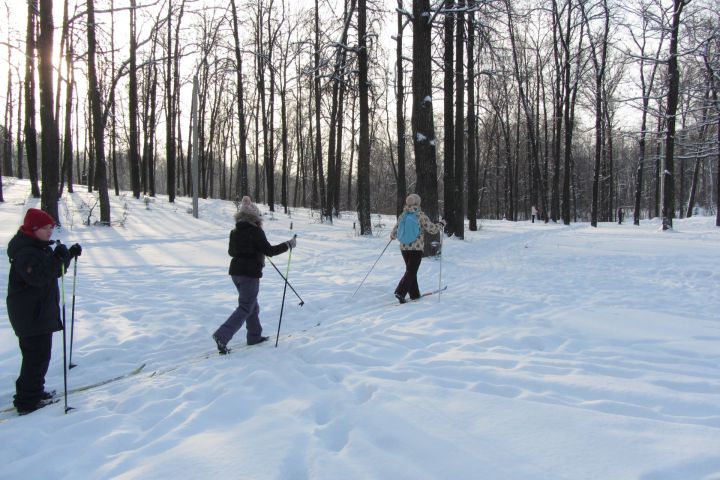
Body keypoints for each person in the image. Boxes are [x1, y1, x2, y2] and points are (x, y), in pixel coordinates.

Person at [6, 208, 81, 415]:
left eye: (51, 228)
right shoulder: (25, 253)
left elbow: (53, 271)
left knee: (38, 356)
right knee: (36, 358)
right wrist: (57, 258)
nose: (50, 232)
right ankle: (28, 401)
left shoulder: (38, 248)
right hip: (30, 316)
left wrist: (68, 256)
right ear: (33, 229)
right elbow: (38, 277)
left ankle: (33, 392)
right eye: (46, 228)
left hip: (37, 313)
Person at [212, 196, 296, 354]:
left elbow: (231, 252)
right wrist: (288, 244)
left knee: (251, 305)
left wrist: (250, 249)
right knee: (245, 307)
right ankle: (222, 335)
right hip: (249, 274)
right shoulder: (256, 231)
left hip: (235, 273)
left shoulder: (235, 231)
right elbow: (269, 251)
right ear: (255, 218)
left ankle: (254, 336)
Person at [390, 194, 444, 304]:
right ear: (418, 203)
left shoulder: (403, 215)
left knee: (410, 270)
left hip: (404, 247)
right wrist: (441, 224)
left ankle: (414, 294)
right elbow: (432, 229)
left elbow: (395, 230)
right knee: (411, 271)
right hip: (416, 247)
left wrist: (392, 236)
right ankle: (400, 292)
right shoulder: (420, 215)